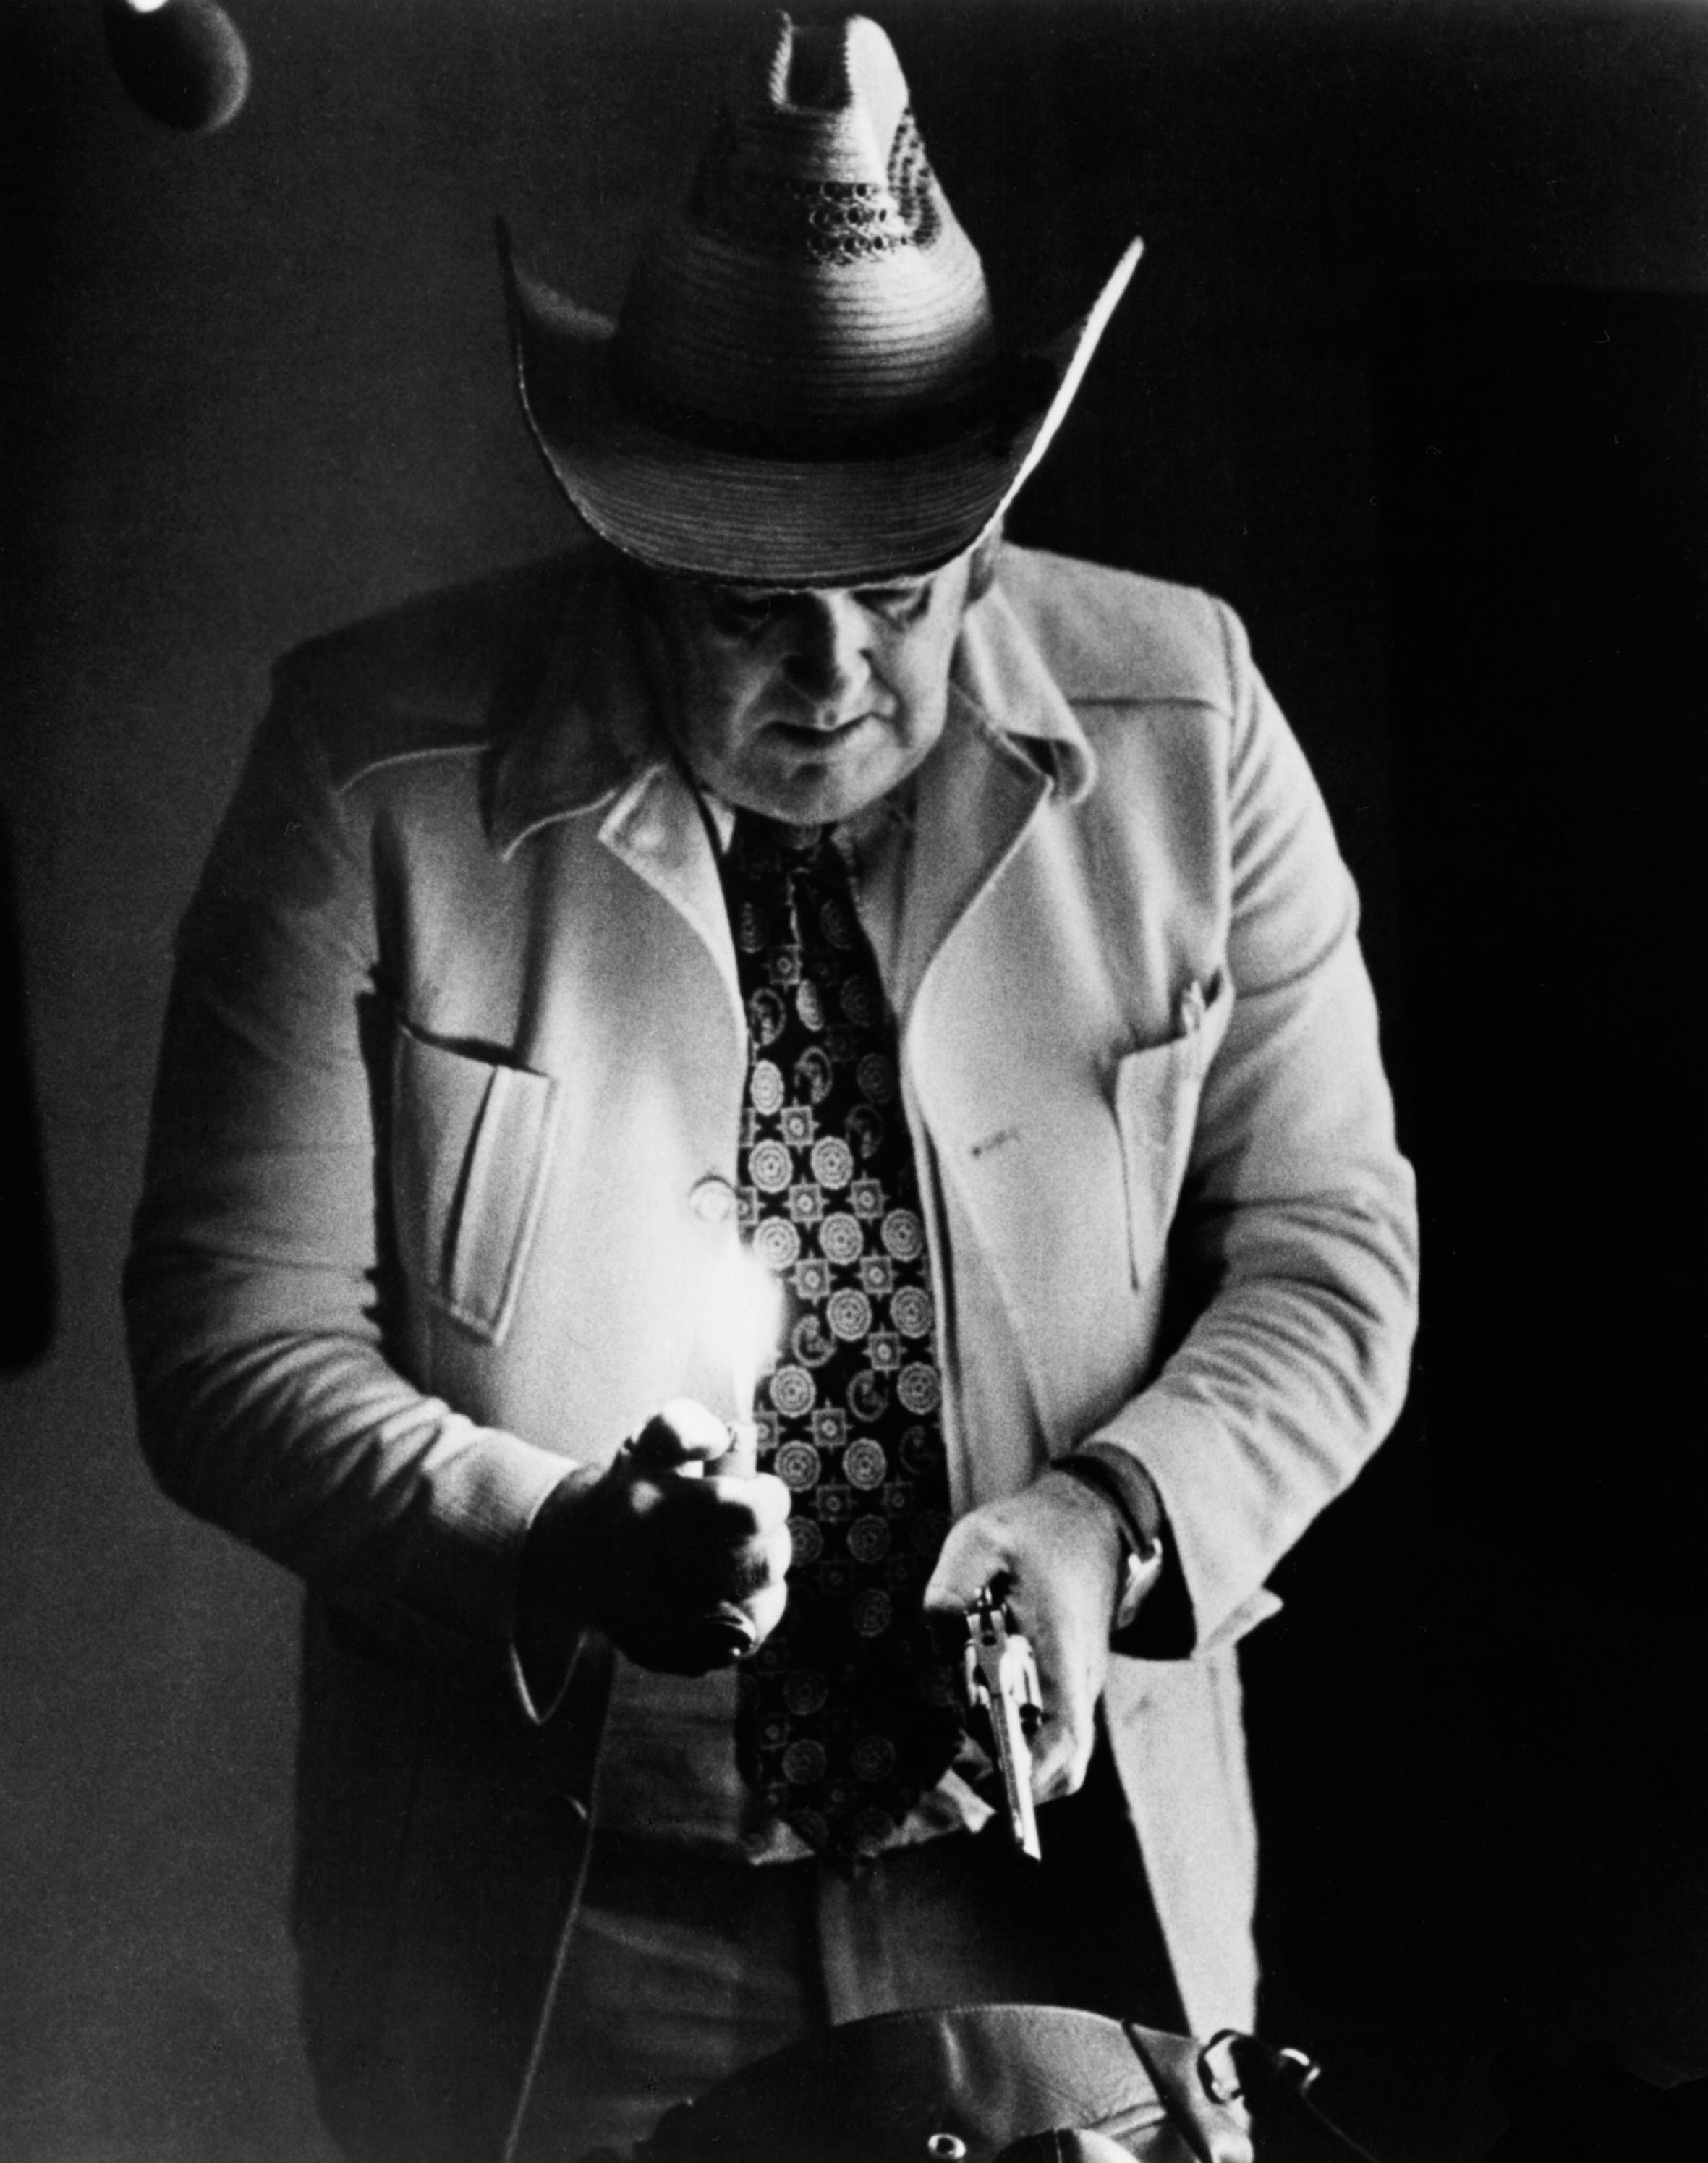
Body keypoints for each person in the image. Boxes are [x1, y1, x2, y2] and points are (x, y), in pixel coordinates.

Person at [124, 14, 1417, 2163]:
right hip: (573, 1916)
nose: (835, 679)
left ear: (989, 533)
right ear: (628, 537)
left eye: (900, 598)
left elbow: (1332, 1260)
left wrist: (1108, 1521)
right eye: (750, 612)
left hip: (1057, 1861)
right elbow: (227, 1343)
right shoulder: (366, 773)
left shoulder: (1189, 722)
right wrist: (559, 1540)